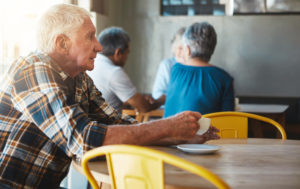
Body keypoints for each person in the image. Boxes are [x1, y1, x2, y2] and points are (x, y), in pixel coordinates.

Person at [0, 4, 219, 188]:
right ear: (62, 43)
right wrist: (167, 127)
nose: (99, 46)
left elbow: (118, 122)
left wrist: (180, 136)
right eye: (90, 36)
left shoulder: (79, 78)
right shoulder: (32, 69)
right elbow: (83, 139)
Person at [164, 22, 235, 118]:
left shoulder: (175, 70)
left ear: (188, 50)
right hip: (205, 132)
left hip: (168, 132)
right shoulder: (224, 79)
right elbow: (228, 118)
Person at [88, 27, 164, 113]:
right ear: (118, 53)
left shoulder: (90, 63)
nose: (127, 58)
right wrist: (162, 99)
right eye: (127, 53)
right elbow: (144, 107)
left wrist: (134, 98)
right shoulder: (114, 72)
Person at [152, 27, 186, 100]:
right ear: (174, 48)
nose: (182, 52)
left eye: (185, 48)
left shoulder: (194, 65)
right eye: (180, 48)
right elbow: (157, 94)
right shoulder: (166, 65)